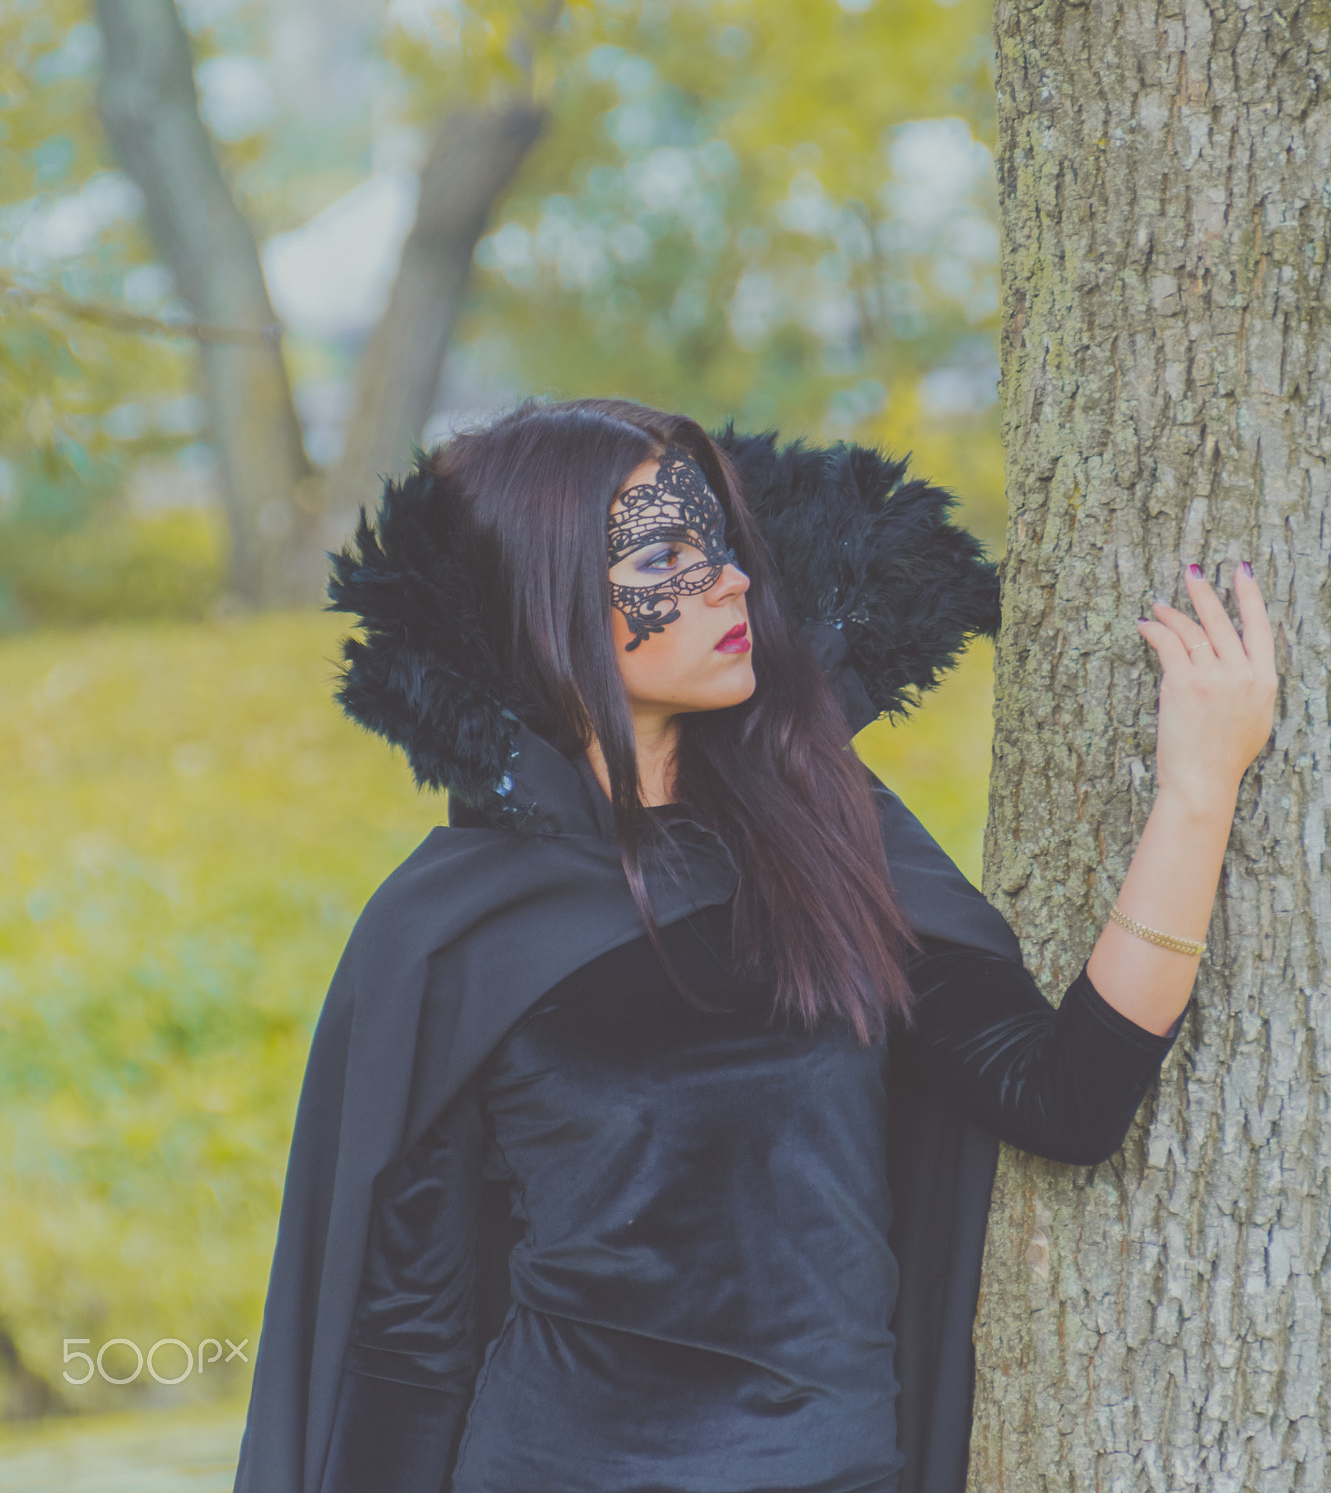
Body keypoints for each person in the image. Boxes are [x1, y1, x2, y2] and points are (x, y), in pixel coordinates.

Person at [232, 397, 1276, 1493]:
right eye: (666, 554)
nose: (730, 579)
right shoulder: (457, 929)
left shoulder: (819, 828)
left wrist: (1195, 791)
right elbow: (408, 1336)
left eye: (720, 543)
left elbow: (1065, 1096)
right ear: (554, 603)